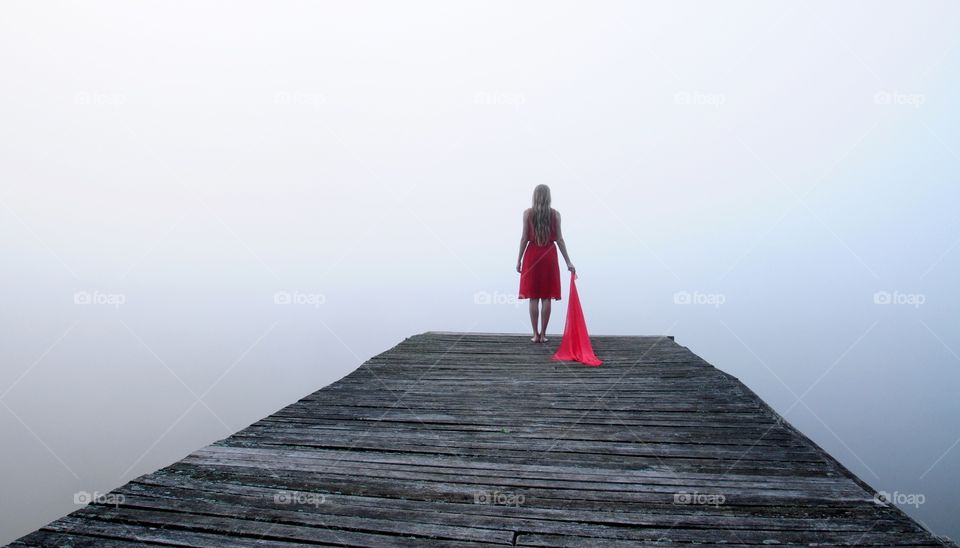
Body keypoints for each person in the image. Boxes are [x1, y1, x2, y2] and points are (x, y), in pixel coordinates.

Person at [517, 184, 575, 343]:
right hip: (549, 255)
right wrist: (568, 262)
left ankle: (535, 335)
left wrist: (519, 260)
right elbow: (560, 239)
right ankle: (543, 334)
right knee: (546, 297)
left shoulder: (527, 214)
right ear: (549, 197)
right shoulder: (555, 215)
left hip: (532, 255)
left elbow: (524, 238)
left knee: (533, 297)